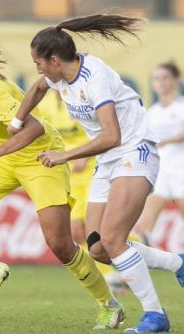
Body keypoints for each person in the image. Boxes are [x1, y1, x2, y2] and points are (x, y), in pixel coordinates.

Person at [12, 14, 184, 333]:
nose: (38, 69)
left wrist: (65, 155)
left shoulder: (94, 77)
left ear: (55, 59)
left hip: (134, 150)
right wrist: (17, 122)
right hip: (108, 158)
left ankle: (155, 315)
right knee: (99, 248)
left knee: (113, 239)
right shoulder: (58, 76)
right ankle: (181, 263)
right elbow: (35, 88)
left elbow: (112, 135)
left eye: (39, 62)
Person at [0, 31, 124, 330]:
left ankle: (109, 305)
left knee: (60, 244)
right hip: (7, 158)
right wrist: (0, 152)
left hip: (40, 157)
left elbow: (35, 129)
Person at [40, 90, 126, 292]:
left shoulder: (81, 100)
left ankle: (110, 274)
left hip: (92, 169)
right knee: (77, 231)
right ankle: (132, 246)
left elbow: (101, 131)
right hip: (69, 172)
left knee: (92, 225)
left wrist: (84, 156)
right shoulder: (46, 104)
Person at [138, 61, 184, 290]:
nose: (160, 83)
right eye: (157, 79)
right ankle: (136, 274)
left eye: (165, 78)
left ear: (174, 81)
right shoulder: (152, 112)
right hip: (160, 172)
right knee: (145, 225)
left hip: (182, 170)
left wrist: (162, 141)